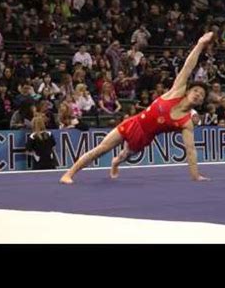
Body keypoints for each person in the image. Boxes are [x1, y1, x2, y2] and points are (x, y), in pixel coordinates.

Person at [60, 32, 215, 184]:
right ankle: (69, 174)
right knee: (101, 149)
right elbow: (188, 66)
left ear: (201, 102)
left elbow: (190, 150)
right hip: (133, 123)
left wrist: (196, 176)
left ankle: (116, 162)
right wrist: (200, 43)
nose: (197, 94)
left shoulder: (186, 122)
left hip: (144, 138)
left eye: (201, 95)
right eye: (195, 90)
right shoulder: (176, 91)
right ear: (188, 91)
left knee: (125, 155)